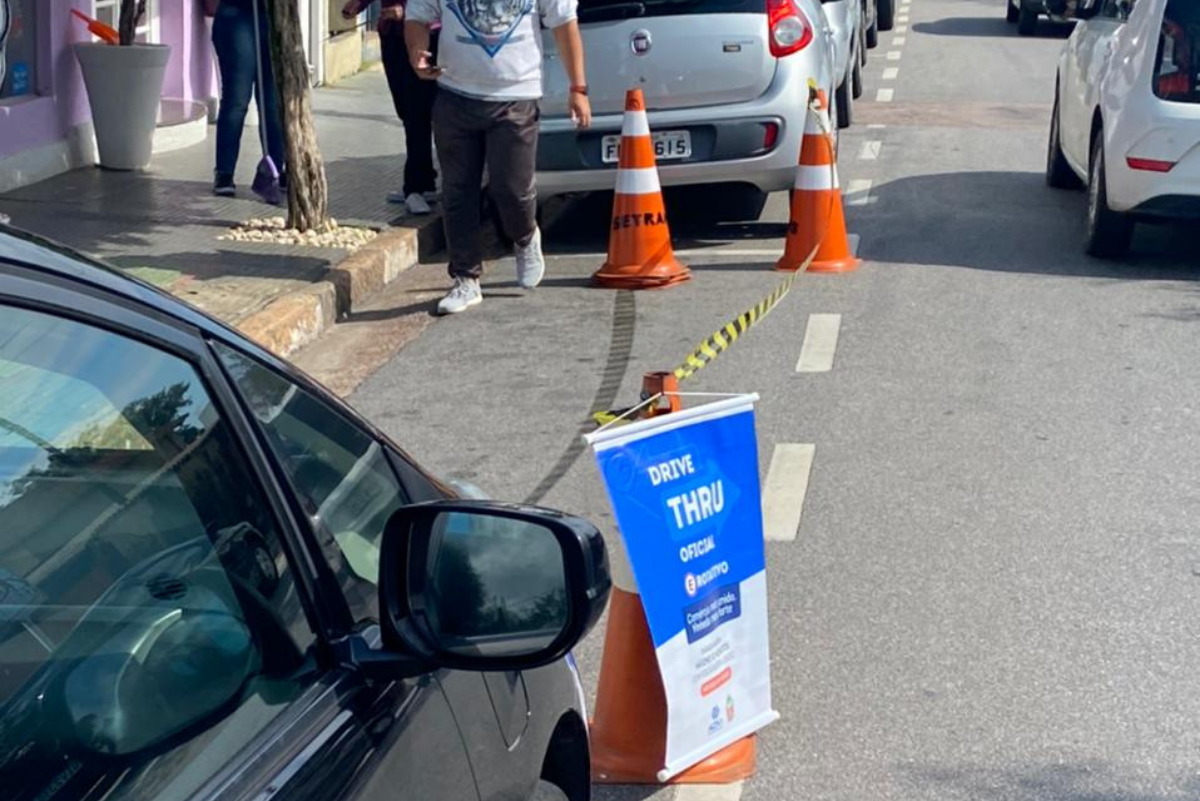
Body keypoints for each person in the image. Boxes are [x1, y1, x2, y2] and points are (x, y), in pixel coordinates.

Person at [404, 0, 591, 315]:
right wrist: (416, 52)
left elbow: (564, 23)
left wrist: (578, 89)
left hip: (516, 96)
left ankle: (525, 235)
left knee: (510, 189)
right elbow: (417, 16)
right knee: (458, 191)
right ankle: (465, 277)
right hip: (454, 95)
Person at [342, 0, 439, 216]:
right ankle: (425, 179)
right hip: (392, 37)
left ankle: (414, 188)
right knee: (406, 111)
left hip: (423, 37)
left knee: (417, 112)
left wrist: (405, 12)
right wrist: (357, 6)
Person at [210, 0, 286, 200]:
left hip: (274, 16)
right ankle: (224, 173)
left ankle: (275, 168)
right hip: (238, 14)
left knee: (272, 103)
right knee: (237, 98)